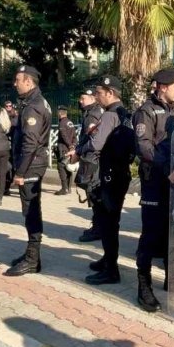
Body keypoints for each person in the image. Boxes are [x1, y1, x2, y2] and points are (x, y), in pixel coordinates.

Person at [133, 67, 174, 312]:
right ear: (162, 87)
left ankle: (172, 277)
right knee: (151, 235)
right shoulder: (145, 113)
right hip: (155, 181)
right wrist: (166, 169)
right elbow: (144, 148)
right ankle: (144, 285)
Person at [79, 76, 135, 285]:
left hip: (110, 176)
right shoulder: (123, 113)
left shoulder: (111, 115)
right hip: (119, 173)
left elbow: (95, 144)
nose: (96, 96)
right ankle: (107, 259)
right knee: (110, 221)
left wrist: (79, 151)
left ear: (110, 93)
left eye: (99, 93)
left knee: (108, 223)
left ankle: (111, 270)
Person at [5, 65, 52, 277]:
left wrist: (20, 173)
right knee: (31, 209)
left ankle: (32, 260)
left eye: (18, 80)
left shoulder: (33, 106)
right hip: (33, 163)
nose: (15, 84)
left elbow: (30, 144)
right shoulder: (35, 102)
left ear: (29, 82)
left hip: (31, 165)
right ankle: (33, 256)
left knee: (31, 211)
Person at [74, 88, 105, 243]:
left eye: (83, 98)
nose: (80, 101)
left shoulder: (92, 115)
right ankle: (97, 226)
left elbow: (91, 140)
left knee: (94, 193)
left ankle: (98, 229)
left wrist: (78, 152)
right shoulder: (97, 111)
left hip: (92, 159)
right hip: (94, 159)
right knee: (95, 193)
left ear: (92, 98)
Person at [54, 106, 77, 196]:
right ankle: (69, 188)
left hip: (63, 148)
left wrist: (69, 145)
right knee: (68, 167)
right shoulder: (70, 122)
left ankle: (64, 189)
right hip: (70, 149)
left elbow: (64, 135)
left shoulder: (62, 123)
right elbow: (74, 136)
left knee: (61, 167)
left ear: (60, 113)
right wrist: (73, 146)